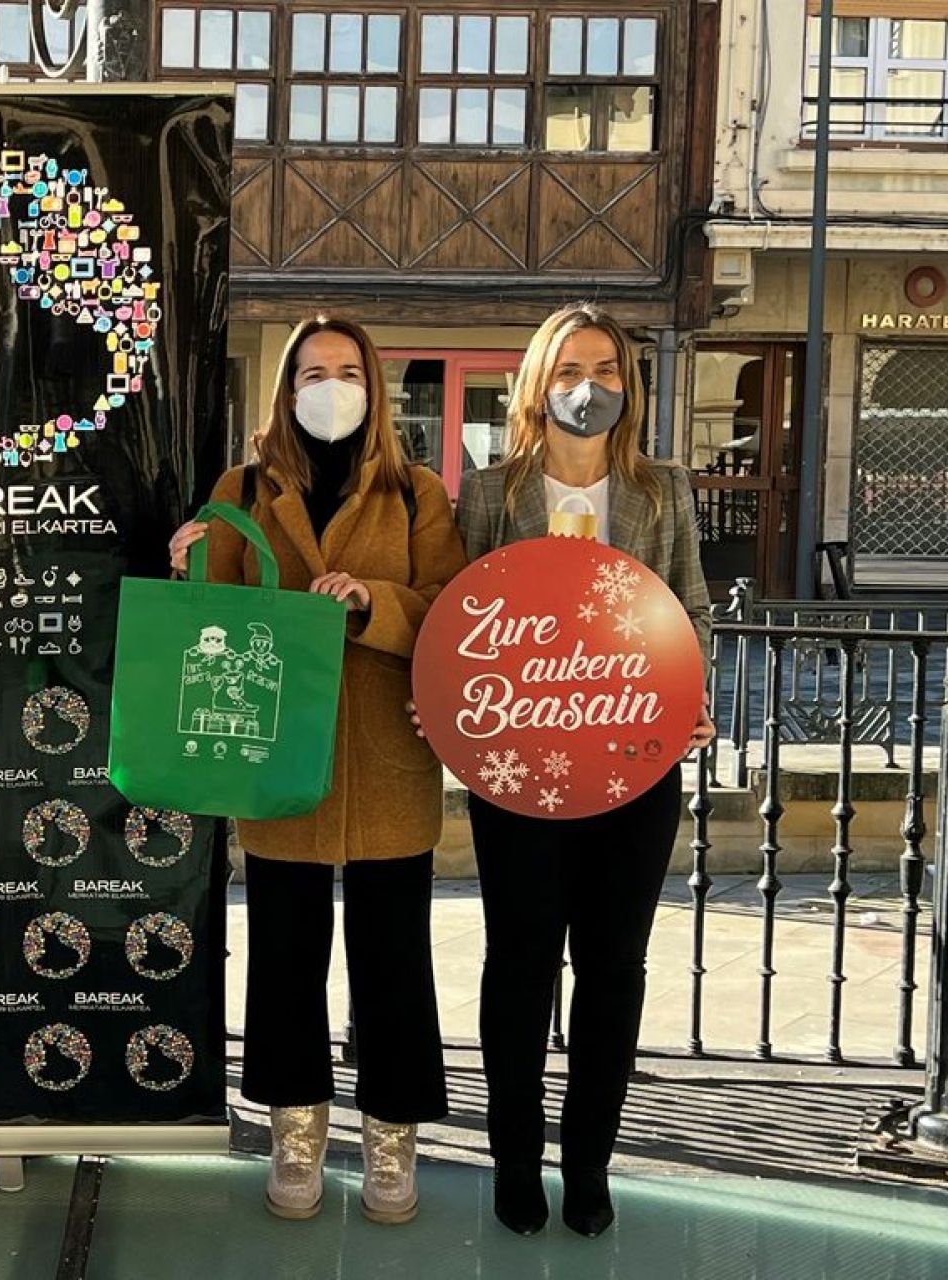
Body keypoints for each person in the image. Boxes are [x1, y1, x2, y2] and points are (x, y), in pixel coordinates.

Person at [168, 315, 468, 1224]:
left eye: (346, 370)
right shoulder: (244, 486)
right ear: (286, 387)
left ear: (375, 387)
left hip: (386, 758)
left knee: (393, 964)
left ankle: (390, 1139)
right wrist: (187, 568)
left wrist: (374, 601)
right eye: (311, 371)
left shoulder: (417, 493)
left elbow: (451, 612)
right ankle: (295, 1132)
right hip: (273, 755)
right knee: (286, 960)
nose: (329, 386)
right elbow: (208, 624)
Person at [445, 303, 713, 1238]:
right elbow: (459, 619)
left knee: (613, 969)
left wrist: (693, 696)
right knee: (518, 965)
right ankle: (514, 1157)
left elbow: (691, 609)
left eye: (603, 368)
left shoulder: (664, 490)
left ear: (627, 385)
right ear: (535, 383)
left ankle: (589, 1159)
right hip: (519, 772)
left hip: (634, 769)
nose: (585, 386)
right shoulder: (487, 494)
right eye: (567, 370)